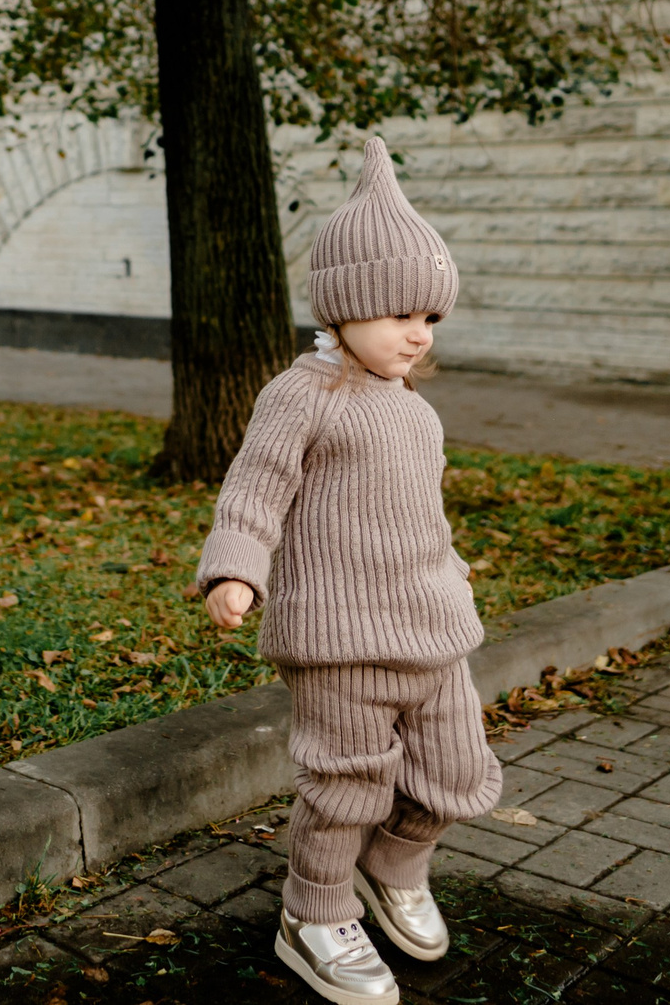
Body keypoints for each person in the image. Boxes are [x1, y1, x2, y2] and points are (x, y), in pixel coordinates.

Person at [198, 137, 500, 1005]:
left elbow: (421, 514)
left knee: (453, 770)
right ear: (343, 309)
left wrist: (454, 574)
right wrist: (236, 570)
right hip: (339, 638)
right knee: (346, 782)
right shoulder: (301, 394)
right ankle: (315, 908)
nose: (417, 332)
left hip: (432, 628)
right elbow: (255, 491)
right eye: (399, 312)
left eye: (431, 317)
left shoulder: (414, 407)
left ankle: (393, 865)